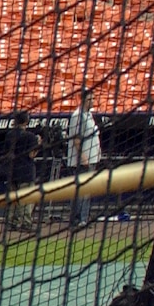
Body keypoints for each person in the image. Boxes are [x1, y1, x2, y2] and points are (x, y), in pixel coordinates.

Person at [63, 89, 103, 228]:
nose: (92, 102)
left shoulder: (89, 115)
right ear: (82, 100)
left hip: (92, 158)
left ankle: (83, 219)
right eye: (89, 99)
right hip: (81, 160)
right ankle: (77, 219)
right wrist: (83, 157)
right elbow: (76, 140)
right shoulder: (77, 116)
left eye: (93, 99)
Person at [3, 110, 43, 232]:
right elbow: (32, 155)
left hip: (12, 170)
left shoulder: (9, 135)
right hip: (25, 170)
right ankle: (26, 224)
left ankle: (11, 223)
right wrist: (38, 144)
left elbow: (6, 153)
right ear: (26, 121)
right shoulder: (30, 136)